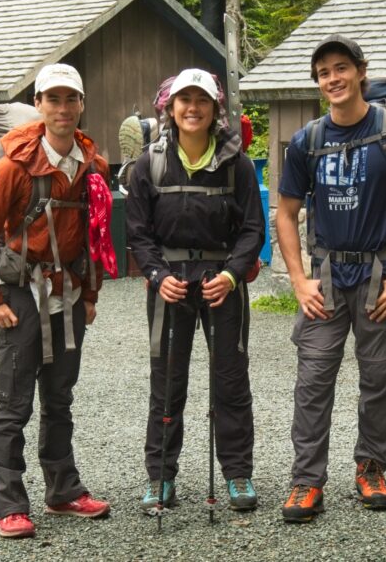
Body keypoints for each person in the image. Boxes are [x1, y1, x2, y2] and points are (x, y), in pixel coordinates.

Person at [276, 35, 386, 522]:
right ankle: (306, 481)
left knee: (378, 379)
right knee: (313, 381)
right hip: (325, 279)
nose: (333, 79)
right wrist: (299, 281)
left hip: (378, 279)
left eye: (341, 68)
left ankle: (371, 467)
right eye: (324, 73)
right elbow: (285, 213)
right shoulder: (307, 141)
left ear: (361, 71)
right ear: (318, 83)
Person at [0, 63, 111, 538]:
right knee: (14, 403)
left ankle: (63, 492)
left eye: (71, 99)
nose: (63, 109)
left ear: (82, 105)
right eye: (53, 99)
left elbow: (95, 236)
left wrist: (89, 295)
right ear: (38, 104)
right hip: (20, 292)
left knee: (60, 399)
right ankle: (7, 503)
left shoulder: (90, 166)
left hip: (67, 295)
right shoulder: (14, 166)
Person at [126, 68, 265, 514]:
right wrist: (155, 274)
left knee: (230, 381)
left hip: (221, 282)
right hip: (169, 282)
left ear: (214, 109)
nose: (192, 108)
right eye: (183, 100)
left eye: (200, 100)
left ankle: (237, 474)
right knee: (167, 383)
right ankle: (160, 477)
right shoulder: (150, 162)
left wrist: (232, 275)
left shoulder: (236, 163)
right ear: (169, 108)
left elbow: (251, 229)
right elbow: (138, 232)